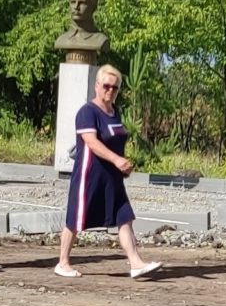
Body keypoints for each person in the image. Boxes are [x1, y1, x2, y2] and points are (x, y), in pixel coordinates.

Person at [55, 65, 160, 279]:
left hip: (112, 177)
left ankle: (135, 262)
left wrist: (123, 165)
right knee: (76, 219)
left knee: (124, 217)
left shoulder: (115, 112)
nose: (110, 90)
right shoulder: (87, 112)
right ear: (97, 86)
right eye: (106, 86)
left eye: (115, 87)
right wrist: (117, 160)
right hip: (89, 175)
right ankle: (62, 262)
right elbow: (91, 142)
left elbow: (116, 141)